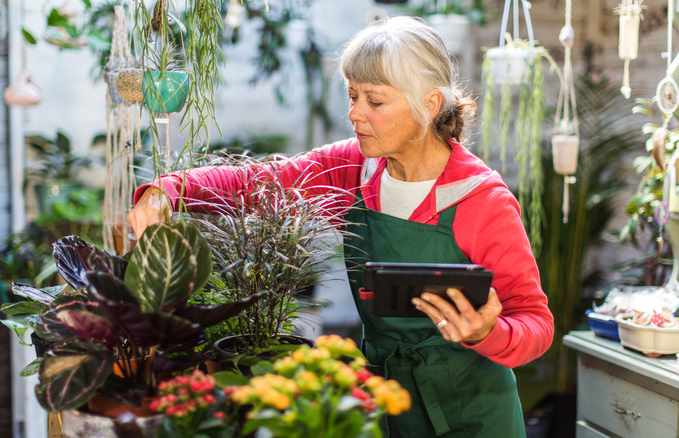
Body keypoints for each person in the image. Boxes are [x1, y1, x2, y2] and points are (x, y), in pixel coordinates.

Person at [128, 16, 553, 437]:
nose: (355, 113)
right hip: (383, 402)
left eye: (375, 101)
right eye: (352, 96)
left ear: (429, 103)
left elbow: (535, 323)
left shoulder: (482, 201)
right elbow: (259, 183)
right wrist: (168, 190)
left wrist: (487, 332)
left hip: (471, 414)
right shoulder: (355, 168)